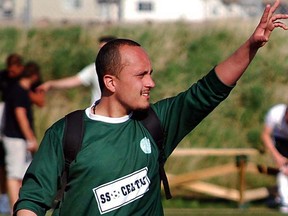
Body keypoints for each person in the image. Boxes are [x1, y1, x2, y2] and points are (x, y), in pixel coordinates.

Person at [13, 1, 288, 215]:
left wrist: (251, 46)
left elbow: (208, 90)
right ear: (111, 82)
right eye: (141, 75)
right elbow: (33, 199)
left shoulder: (155, 123)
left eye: (151, 73)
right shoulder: (67, 132)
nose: (152, 82)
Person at [0, 54, 44, 214]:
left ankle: (20, 207)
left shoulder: (21, 90)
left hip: (18, 138)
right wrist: (30, 138)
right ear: (34, 76)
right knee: (14, 175)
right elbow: (21, 116)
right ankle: (13, 209)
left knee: (22, 174)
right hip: (15, 138)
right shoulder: (19, 91)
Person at [37, 36, 116, 105]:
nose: (100, 52)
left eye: (104, 49)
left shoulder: (124, 69)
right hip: (98, 117)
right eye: (99, 48)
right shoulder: (94, 69)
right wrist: (51, 84)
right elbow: (73, 81)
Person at [261, 104, 288, 213]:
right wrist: (276, 156)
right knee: (284, 171)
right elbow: (265, 135)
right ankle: (285, 201)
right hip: (279, 140)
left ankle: (279, 198)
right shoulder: (275, 113)